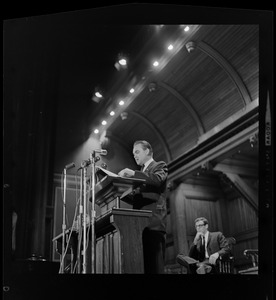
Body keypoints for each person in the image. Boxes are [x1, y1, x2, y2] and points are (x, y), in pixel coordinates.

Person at [118, 140, 168, 274]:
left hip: (153, 225)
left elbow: (157, 180)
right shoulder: (141, 172)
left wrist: (134, 174)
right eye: (133, 153)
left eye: (137, 152)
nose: (134, 155)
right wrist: (121, 191)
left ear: (147, 151)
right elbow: (138, 197)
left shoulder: (159, 165)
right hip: (138, 227)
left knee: (155, 268)